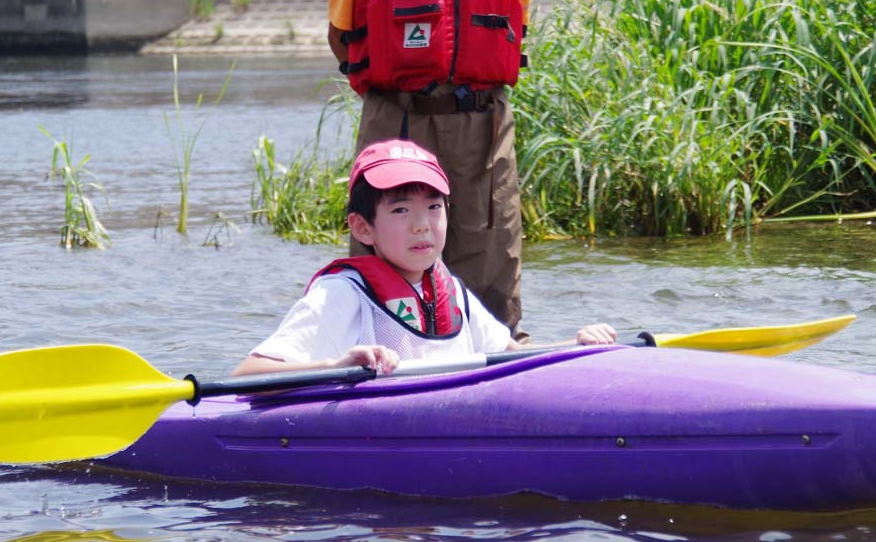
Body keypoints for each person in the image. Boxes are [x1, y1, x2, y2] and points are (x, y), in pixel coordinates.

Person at [233, 139, 614, 376]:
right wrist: (335, 366)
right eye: (400, 210)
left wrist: (575, 346)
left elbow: (515, 357)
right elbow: (249, 375)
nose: (422, 226)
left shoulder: (453, 293)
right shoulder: (341, 294)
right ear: (363, 228)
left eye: (433, 207)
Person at [326, 0, 532, 339]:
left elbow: (517, 21)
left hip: (484, 121)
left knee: (493, 252)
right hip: (398, 118)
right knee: (387, 249)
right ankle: (378, 351)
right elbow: (342, 35)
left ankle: (498, 355)